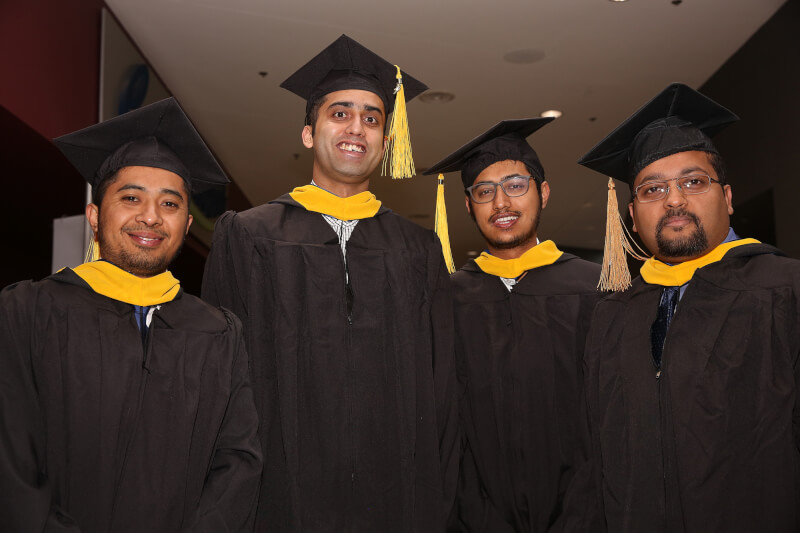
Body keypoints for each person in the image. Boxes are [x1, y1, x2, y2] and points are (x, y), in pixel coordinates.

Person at [201, 35, 458, 532]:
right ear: (307, 132)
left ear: (386, 141)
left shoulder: (417, 250)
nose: (356, 128)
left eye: (372, 117)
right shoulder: (248, 235)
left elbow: (441, 389)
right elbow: (222, 378)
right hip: (278, 492)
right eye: (339, 113)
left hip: (397, 494)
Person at [0, 98, 262, 532]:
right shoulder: (27, 311)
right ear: (95, 216)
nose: (150, 217)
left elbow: (239, 460)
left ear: (186, 226)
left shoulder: (219, 332)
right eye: (131, 197)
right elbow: (9, 456)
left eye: (171, 204)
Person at [572, 82, 800, 532]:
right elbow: (592, 454)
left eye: (693, 182)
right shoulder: (611, 315)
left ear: (728, 198)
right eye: (652, 189)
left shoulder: (786, 290)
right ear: (633, 217)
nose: (674, 199)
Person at [424, 119, 601, 532]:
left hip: (586, 513)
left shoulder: (595, 291)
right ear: (468, 205)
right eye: (484, 191)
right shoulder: (445, 301)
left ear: (543, 192)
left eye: (516, 185)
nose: (501, 203)